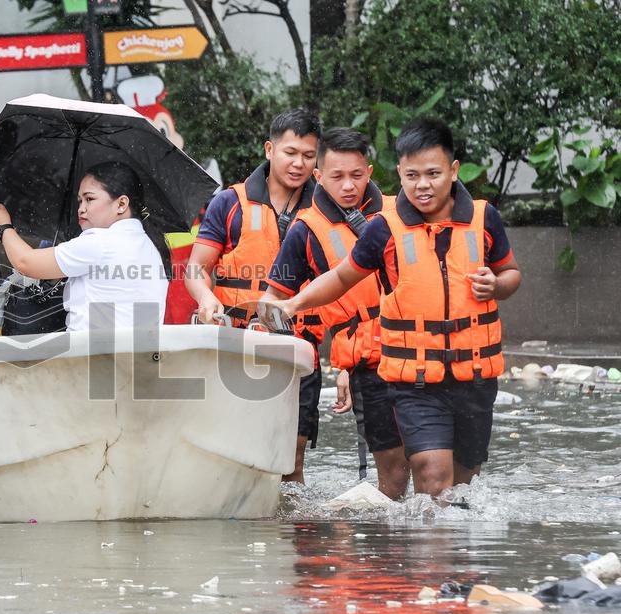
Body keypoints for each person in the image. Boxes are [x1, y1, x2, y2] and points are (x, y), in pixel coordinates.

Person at [261, 118, 521, 497]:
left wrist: (497, 285)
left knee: (462, 487)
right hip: (398, 373)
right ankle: (404, 552)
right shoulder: (369, 228)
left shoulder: (480, 219)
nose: (423, 184)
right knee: (420, 475)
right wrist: (292, 305)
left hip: (471, 374)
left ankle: (445, 549)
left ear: (452, 171)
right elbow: (338, 279)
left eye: (432, 173)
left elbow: (511, 274)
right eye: (413, 175)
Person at [260, 127, 410, 499]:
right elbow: (274, 297)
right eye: (337, 177)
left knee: (426, 463)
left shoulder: (401, 211)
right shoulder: (305, 230)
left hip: (415, 351)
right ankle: (383, 549)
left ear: (370, 172)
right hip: (366, 363)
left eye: (357, 176)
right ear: (318, 177)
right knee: (387, 476)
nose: (348, 186)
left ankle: (425, 542)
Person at [184, 109, 324, 484]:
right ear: (269, 149)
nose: (299, 163)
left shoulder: (326, 208)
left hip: (297, 346)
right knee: (230, 451)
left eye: (308, 156)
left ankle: (289, 535)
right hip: (236, 345)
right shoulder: (229, 203)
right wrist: (205, 297)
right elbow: (196, 267)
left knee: (292, 458)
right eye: (290, 152)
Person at [0, 161, 169, 331]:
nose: (81, 208)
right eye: (80, 200)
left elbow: (26, 263)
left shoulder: (100, 242)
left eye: (90, 199)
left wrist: (3, 226)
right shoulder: (152, 248)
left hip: (92, 361)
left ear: (121, 204)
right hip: (137, 362)